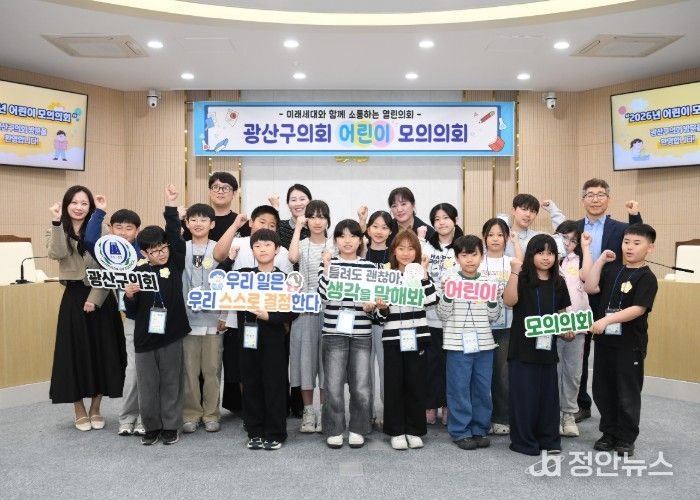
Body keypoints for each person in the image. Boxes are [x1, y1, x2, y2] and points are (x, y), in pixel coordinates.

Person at [46, 185, 126, 431]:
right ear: (66, 205)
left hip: (100, 294)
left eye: (84, 203)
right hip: (73, 296)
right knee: (74, 353)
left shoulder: (101, 229)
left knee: (103, 352)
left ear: (90, 206)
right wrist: (57, 222)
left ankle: (96, 408)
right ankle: (79, 408)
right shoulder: (56, 228)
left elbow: (109, 266)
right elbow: (57, 253)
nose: (79, 207)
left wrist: (95, 298)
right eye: (74, 203)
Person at [581, 223, 658, 457]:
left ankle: (626, 437)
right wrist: (601, 260)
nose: (629, 247)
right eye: (626, 242)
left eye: (636, 243)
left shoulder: (647, 277)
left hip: (629, 345)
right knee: (603, 389)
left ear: (650, 248)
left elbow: (638, 309)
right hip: (605, 343)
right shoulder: (613, 270)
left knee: (627, 392)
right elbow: (590, 286)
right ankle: (609, 432)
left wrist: (607, 320)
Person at [124, 185, 190, 446]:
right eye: (154, 251)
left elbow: (174, 233)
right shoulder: (136, 270)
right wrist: (129, 295)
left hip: (171, 333)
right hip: (144, 336)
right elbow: (131, 312)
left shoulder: (175, 262)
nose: (161, 253)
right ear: (144, 253)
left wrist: (170, 205)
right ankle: (151, 426)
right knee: (147, 384)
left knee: (172, 382)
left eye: (163, 248)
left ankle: (171, 426)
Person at [572, 178, 641, 423]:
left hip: (609, 298)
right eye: (590, 195)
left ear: (608, 200)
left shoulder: (620, 227)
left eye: (601, 194)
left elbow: (638, 238)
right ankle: (580, 403)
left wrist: (634, 216)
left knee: (608, 355)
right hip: (578, 297)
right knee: (578, 354)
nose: (595, 199)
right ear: (583, 200)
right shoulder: (574, 228)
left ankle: (612, 411)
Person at [213, 205, 292, 415]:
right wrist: (231, 255)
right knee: (245, 371)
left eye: (272, 225)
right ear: (251, 223)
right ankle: (250, 416)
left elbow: (290, 297)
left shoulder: (282, 260)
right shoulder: (239, 247)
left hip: (272, 324)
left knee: (272, 372)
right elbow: (219, 273)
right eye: (261, 222)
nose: (262, 248)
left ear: (276, 247)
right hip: (241, 321)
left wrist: (280, 319)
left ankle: (272, 416)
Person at [504, 234, 571, 456]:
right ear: (531, 255)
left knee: (548, 398)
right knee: (524, 398)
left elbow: (562, 314)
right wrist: (515, 272)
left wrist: (567, 330)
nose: (545, 257)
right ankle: (524, 441)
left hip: (547, 350)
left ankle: (549, 439)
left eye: (550, 253)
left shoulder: (559, 282)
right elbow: (509, 301)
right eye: (540, 252)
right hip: (522, 350)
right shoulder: (522, 278)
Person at [84, 196, 144, 436]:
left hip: (154, 318)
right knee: (133, 369)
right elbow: (90, 240)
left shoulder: (143, 249)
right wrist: (99, 212)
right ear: (110, 229)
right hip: (131, 318)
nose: (123, 232)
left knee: (150, 370)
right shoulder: (107, 251)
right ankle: (128, 417)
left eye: (129, 228)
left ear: (137, 231)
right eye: (118, 227)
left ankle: (146, 416)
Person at [318, 219, 377, 449]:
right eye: (341, 236)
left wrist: (372, 306)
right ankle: (334, 429)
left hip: (361, 333)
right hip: (333, 332)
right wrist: (326, 268)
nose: (347, 240)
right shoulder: (329, 263)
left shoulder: (369, 267)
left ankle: (358, 428)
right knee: (333, 386)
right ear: (335, 241)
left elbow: (375, 301)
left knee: (361, 386)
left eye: (353, 236)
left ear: (360, 240)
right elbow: (323, 296)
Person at [438, 235, 501, 450]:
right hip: (457, 344)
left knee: (482, 388)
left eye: (474, 254)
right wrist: (447, 295)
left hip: (484, 344)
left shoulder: (489, 282)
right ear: (457, 258)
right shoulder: (449, 280)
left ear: (481, 256)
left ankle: (479, 428)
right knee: (459, 389)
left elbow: (494, 316)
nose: (469, 260)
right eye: (464, 255)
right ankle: (460, 431)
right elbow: (442, 314)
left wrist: (493, 300)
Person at [376, 230, 437, 450]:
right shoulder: (386, 276)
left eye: (411, 248)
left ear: (417, 252)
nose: (405, 253)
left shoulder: (421, 275)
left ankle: (414, 430)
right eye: (401, 248)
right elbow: (378, 317)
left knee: (416, 385)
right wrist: (382, 308)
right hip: (393, 338)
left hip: (417, 337)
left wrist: (423, 274)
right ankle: (396, 431)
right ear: (393, 251)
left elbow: (431, 300)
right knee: (394, 386)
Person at [238, 229, 298, 450]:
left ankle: (275, 432)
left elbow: (293, 311)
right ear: (252, 250)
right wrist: (229, 260)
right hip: (248, 338)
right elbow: (219, 285)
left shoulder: (285, 279)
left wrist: (269, 317)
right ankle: (254, 431)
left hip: (274, 338)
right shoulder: (243, 275)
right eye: (257, 246)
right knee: (251, 384)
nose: (262, 249)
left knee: (275, 385)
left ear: (277, 249)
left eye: (267, 245)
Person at [288, 200, 334, 433]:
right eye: (312, 216)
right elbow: (292, 257)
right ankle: (308, 411)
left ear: (328, 220)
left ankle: (325, 410)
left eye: (321, 216)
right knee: (305, 361)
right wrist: (298, 227)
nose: (317, 221)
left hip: (329, 308)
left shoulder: (334, 244)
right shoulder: (302, 243)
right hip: (305, 308)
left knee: (327, 361)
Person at [181, 203, 225, 434]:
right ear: (187, 223)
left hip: (213, 319)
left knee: (212, 370)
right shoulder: (180, 248)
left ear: (212, 224)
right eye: (193, 219)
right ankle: (190, 414)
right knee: (189, 371)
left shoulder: (220, 249)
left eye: (203, 219)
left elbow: (229, 282)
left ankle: (211, 414)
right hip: (186, 320)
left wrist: (225, 315)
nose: (198, 224)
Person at [422, 203, 464, 426]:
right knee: (431, 365)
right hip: (430, 316)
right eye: (437, 219)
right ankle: (430, 404)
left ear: (455, 220)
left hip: (455, 318)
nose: (441, 222)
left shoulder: (464, 246)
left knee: (452, 366)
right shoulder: (427, 247)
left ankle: (448, 405)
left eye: (446, 217)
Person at [554, 220, 591, 438]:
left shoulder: (581, 260)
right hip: (552, 324)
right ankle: (553, 414)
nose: (568, 243)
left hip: (577, 324)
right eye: (564, 238)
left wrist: (585, 248)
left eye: (573, 240)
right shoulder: (547, 259)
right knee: (554, 371)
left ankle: (568, 413)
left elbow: (588, 279)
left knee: (573, 372)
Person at [478, 217, 512, 436]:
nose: (495, 239)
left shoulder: (512, 263)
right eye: (491, 235)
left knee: (502, 374)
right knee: (481, 374)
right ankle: (482, 418)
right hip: (480, 326)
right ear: (484, 238)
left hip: (507, 326)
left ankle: (501, 417)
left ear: (506, 238)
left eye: (500, 235)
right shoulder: (477, 262)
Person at [182, 171, 249, 242]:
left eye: (226, 188)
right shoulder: (193, 220)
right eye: (216, 187)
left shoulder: (241, 223)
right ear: (210, 191)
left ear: (234, 193)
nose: (220, 192)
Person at [504, 194, 565, 259]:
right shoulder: (501, 235)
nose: (528, 214)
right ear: (513, 211)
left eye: (532, 211)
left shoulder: (538, 237)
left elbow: (564, 237)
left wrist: (553, 210)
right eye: (524, 209)